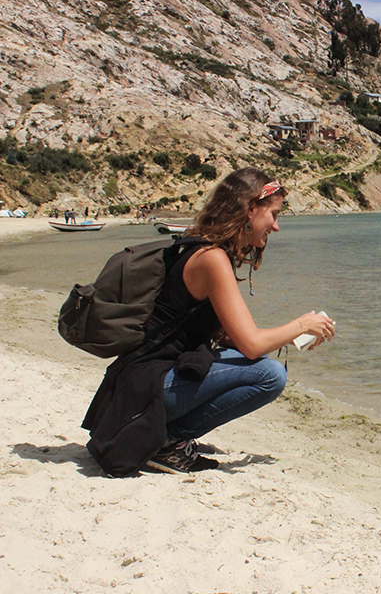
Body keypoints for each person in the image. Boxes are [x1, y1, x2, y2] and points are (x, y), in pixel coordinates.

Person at [82, 167, 335, 476]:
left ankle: (168, 434)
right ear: (249, 209)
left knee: (253, 361)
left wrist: (288, 337)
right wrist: (301, 326)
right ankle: (169, 440)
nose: (276, 226)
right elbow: (251, 344)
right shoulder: (212, 259)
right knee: (270, 375)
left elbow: (231, 338)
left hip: (139, 380)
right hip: (147, 386)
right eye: (274, 215)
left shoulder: (200, 247)